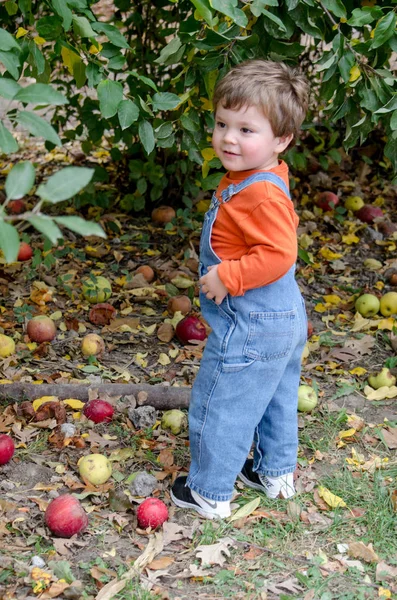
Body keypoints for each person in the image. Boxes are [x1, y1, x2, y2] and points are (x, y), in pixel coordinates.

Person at [171, 59, 309, 519]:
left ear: (281, 140)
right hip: (284, 319)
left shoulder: (260, 193)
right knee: (275, 396)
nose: (229, 138)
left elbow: (279, 254)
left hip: (251, 324)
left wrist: (228, 276)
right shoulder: (257, 178)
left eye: (246, 130)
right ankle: (274, 472)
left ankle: (209, 491)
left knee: (223, 400)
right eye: (222, 124)